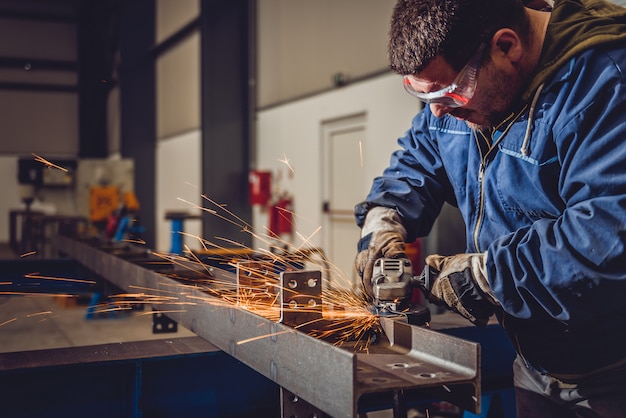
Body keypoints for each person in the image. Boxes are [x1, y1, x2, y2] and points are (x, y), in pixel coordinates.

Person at [354, 0, 626, 416]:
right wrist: (382, 222)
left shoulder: (605, 84)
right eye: (423, 95)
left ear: (506, 46)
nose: (440, 112)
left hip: (614, 369)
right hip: (536, 362)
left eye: (450, 94)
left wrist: (485, 276)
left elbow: (605, 237)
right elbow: (417, 160)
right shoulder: (459, 97)